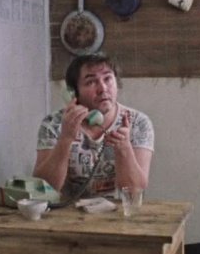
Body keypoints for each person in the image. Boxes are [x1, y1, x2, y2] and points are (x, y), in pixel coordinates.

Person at [33, 53, 154, 198]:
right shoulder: (53, 123)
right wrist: (65, 139)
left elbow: (135, 191)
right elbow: (43, 188)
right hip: (68, 210)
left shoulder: (138, 122)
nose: (103, 89)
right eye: (91, 82)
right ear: (73, 93)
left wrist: (124, 148)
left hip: (117, 210)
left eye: (108, 79)